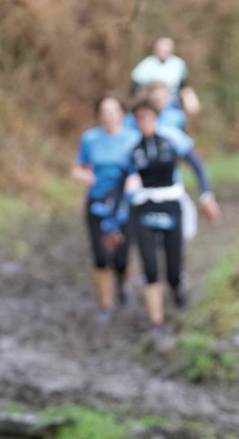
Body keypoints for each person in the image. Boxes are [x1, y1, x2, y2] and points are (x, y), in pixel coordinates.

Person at [120, 96, 219, 334]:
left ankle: (176, 287)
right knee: (150, 267)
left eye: (147, 117)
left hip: (171, 204)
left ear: (156, 117)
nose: (144, 122)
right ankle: (155, 321)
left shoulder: (172, 138)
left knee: (173, 265)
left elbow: (197, 165)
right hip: (143, 206)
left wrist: (206, 195)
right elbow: (121, 179)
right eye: (139, 118)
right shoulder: (131, 146)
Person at [69, 93, 141, 325]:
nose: (109, 116)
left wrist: (134, 182)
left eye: (113, 111)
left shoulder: (133, 138)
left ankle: (122, 284)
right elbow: (76, 168)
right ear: (99, 115)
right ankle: (105, 304)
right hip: (97, 202)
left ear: (122, 113)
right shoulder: (89, 138)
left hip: (123, 205)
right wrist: (85, 177)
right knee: (100, 256)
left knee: (121, 257)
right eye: (104, 112)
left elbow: (141, 170)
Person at [129, 36, 200, 117]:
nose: (165, 49)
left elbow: (183, 86)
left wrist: (190, 99)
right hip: (150, 106)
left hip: (171, 104)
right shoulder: (146, 65)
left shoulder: (178, 64)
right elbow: (134, 88)